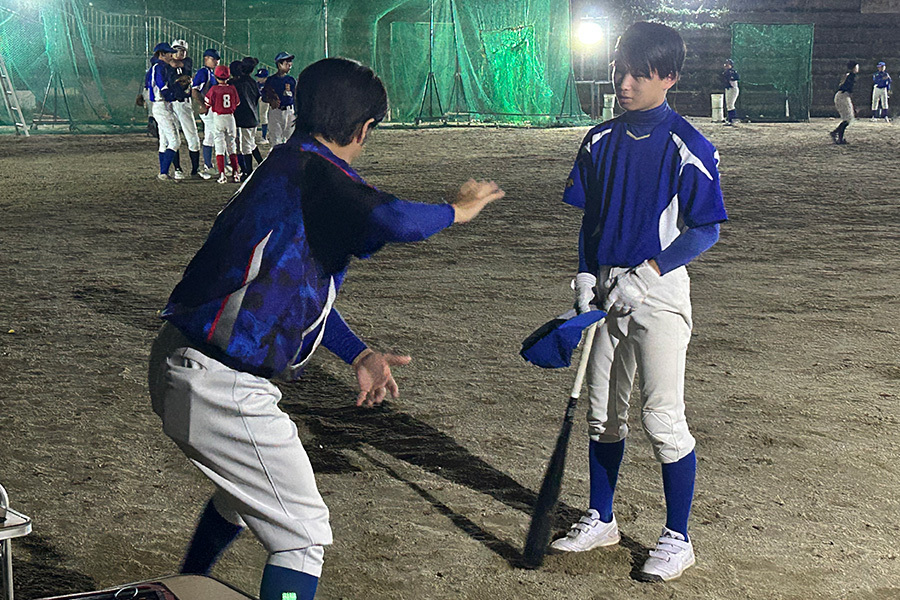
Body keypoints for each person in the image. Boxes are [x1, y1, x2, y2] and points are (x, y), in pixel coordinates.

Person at [147, 57, 504, 600]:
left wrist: (358, 354)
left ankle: (183, 586)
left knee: (241, 498)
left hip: (185, 362)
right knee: (302, 536)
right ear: (364, 129)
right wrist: (456, 210)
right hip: (222, 385)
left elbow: (281, 292)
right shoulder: (318, 174)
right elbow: (395, 219)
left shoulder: (284, 165)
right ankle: (185, 588)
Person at [551, 22, 727, 583]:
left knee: (662, 418)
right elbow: (591, 220)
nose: (623, 83)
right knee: (603, 415)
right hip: (605, 291)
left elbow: (705, 231)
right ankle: (601, 518)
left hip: (659, 291)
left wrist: (648, 272)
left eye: (637, 74)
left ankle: (679, 536)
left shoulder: (688, 146)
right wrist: (584, 275)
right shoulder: (598, 139)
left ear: (669, 78)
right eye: (617, 71)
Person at [169, 39, 209, 180]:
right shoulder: (164, 65)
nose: (180, 53)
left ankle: (194, 170)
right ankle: (177, 169)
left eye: (183, 50)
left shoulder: (187, 61)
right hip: (169, 105)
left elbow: (179, 64)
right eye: (177, 50)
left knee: (193, 137)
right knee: (173, 139)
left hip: (184, 104)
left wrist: (170, 62)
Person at [145, 42, 181, 182]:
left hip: (162, 106)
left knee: (164, 142)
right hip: (161, 105)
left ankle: (163, 173)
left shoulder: (161, 67)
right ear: (161, 54)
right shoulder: (158, 67)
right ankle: (163, 172)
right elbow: (161, 85)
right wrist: (172, 93)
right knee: (175, 141)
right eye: (168, 53)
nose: (171, 55)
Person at [204, 64, 242, 183]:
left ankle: (222, 175)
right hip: (230, 118)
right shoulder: (232, 88)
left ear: (216, 77)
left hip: (218, 117)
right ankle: (236, 173)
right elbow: (237, 103)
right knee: (232, 146)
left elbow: (207, 103)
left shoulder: (214, 89)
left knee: (219, 146)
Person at [231, 57, 264, 179]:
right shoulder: (252, 82)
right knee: (250, 142)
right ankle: (261, 164)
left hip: (242, 118)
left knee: (245, 146)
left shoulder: (235, 84)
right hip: (253, 117)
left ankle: (248, 172)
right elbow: (257, 97)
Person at [192, 48, 221, 174]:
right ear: (206, 59)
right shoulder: (203, 72)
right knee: (214, 134)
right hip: (208, 109)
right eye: (213, 59)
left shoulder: (211, 72)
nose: (216, 62)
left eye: (217, 59)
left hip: (212, 108)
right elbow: (195, 90)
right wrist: (202, 104)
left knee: (211, 136)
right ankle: (212, 165)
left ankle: (210, 165)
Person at [263, 52, 296, 145]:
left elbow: (296, 97)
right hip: (276, 111)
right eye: (287, 62)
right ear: (279, 64)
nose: (290, 64)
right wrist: (270, 99)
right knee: (275, 140)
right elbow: (264, 97)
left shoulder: (291, 80)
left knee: (291, 140)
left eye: (290, 62)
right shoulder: (271, 80)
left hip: (290, 111)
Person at [831, 61, 859, 145]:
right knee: (847, 118)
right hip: (843, 96)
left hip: (841, 96)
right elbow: (849, 90)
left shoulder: (847, 75)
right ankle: (837, 135)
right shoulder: (851, 76)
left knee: (848, 118)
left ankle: (838, 135)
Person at [720, 58, 739, 125]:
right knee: (728, 104)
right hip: (728, 89)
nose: (726, 66)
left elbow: (735, 79)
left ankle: (732, 119)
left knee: (730, 104)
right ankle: (730, 118)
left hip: (733, 89)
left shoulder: (732, 72)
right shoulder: (726, 72)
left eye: (728, 64)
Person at [255, 67, 270, 143]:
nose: (259, 79)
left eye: (261, 77)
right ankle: (264, 136)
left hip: (267, 101)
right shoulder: (257, 84)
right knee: (263, 117)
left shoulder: (269, 84)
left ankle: (264, 137)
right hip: (262, 100)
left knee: (264, 117)